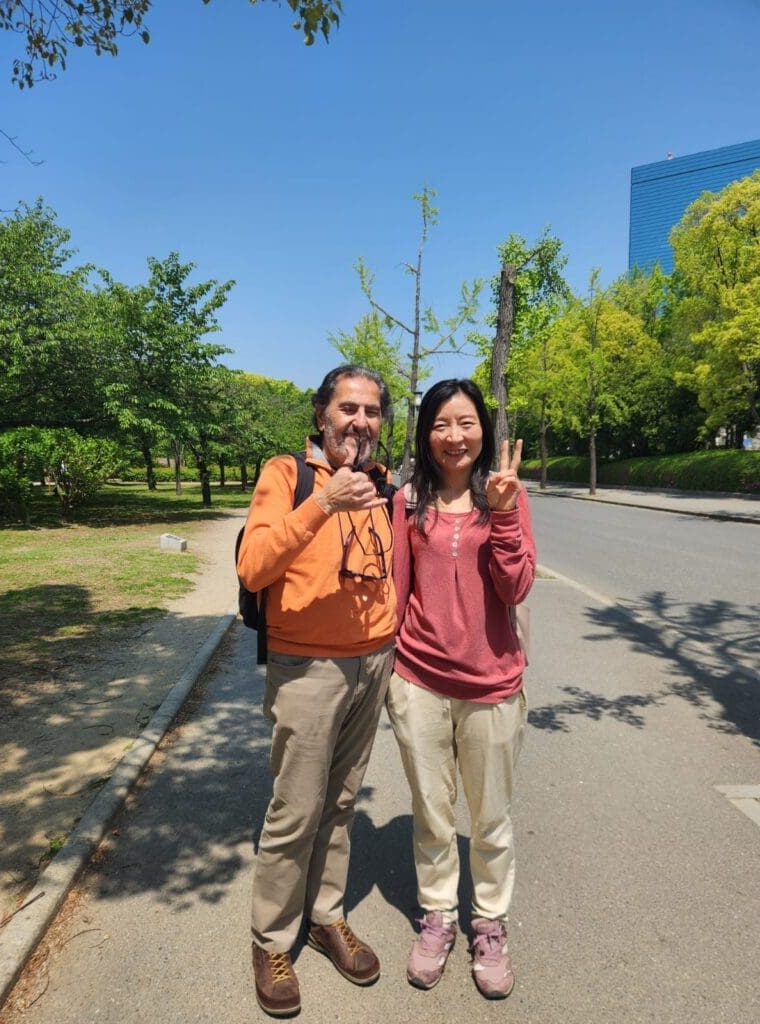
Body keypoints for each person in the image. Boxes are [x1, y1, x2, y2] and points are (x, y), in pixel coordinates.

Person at [237, 365, 396, 1017]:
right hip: (307, 667)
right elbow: (254, 564)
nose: (360, 420)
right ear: (322, 413)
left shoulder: (383, 483)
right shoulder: (287, 474)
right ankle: (271, 938)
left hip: (373, 661)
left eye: (372, 410)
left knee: (341, 801)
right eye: (347, 408)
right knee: (296, 808)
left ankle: (326, 916)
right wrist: (323, 504)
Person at [386, 378, 535, 999]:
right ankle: (438, 917)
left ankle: (490, 924)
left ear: (484, 430)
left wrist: (501, 514)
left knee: (491, 817)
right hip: (418, 679)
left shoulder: (506, 495)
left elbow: (516, 586)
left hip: (491, 684)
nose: (455, 436)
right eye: (442, 424)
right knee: (432, 813)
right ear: (426, 433)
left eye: (466, 422)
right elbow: (395, 586)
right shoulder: (408, 498)